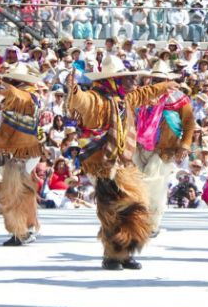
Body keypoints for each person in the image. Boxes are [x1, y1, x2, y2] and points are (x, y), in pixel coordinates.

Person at [66, 55, 178, 270]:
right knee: (111, 211)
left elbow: (143, 93)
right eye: (127, 79)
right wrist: (74, 92)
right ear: (114, 79)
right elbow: (81, 101)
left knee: (133, 208)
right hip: (103, 164)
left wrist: (165, 86)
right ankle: (111, 255)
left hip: (123, 163)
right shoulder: (96, 99)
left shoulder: (123, 98)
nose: (132, 82)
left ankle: (125, 252)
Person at [134, 60, 195, 237]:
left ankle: (152, 224)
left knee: (154, 184)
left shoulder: (180, 99)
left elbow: (189, 123)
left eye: (161, 79)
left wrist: (184, 145)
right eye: (154, 79)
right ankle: (138, 220)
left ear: (169, 80)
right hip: (140, 147)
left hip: (164, 149)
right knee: (137, 184)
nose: (157, 83)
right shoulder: (142, 96)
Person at [0, 62, 45, 246]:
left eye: (10, 80)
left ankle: (19, 231)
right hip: (22, 149)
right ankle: (28, 227)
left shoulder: (25, 97)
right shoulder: (23, 97)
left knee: (14, 191)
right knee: (24, 190)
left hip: (21, 150)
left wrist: (2, 85)